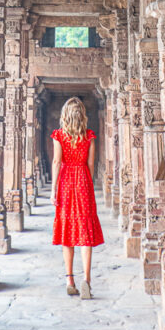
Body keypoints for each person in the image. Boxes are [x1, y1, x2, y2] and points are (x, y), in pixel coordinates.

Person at [51, 96, 104, 299]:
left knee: (67, 230)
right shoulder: (88, 137)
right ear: (82, 116)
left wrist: (54, 190)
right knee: (85, 231)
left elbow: (57, 162)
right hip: (83, 181)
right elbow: (91, 165)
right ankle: (87, 280)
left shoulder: (59, 136)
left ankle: (70, 280)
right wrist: (88, 185)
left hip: (65, 183)